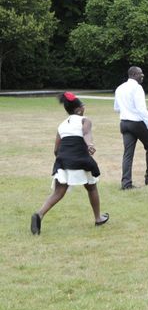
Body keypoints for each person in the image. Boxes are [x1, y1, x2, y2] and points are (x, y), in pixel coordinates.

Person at [31, 93, 109, 235]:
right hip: (80, 158)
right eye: (82, 105)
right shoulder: (85, 120)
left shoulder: (61, 125)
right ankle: (98, 218)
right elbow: (86, 133)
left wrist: (63, 159)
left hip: (63, 159)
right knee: (91, 187)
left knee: (58, 192)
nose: (84, 107)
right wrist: (89, 144)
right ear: (78, 109)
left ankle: (39, 214)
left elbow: (56, 149)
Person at [114, 66, 148, 189]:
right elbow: (141, 109)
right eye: (140, 74)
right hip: (137, 123)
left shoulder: (120, 88)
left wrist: (127, 110)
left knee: (128, 154)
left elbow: (116, 108)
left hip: (124, 123)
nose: (142, 76)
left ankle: (126, 183)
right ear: (134, 74)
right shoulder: (137, 88)